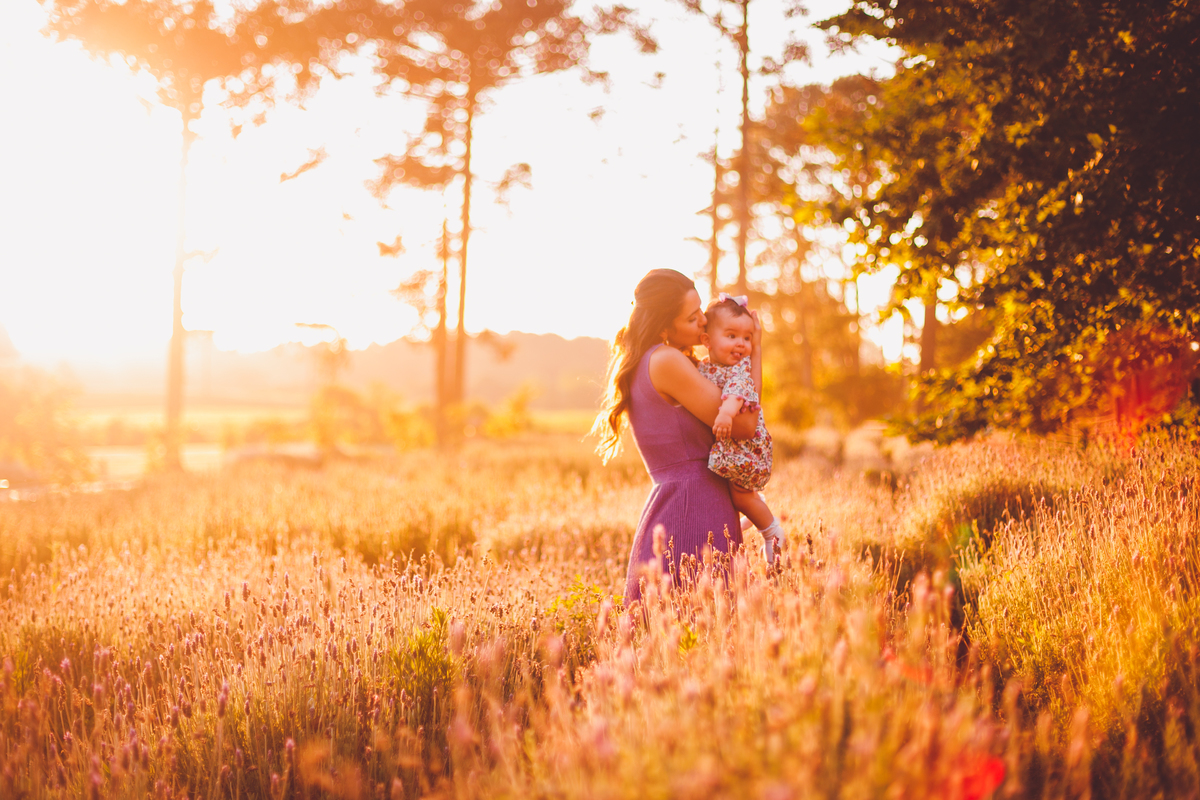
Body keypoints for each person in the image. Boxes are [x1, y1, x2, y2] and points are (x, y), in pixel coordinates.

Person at [592, 269, 762, 603]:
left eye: (701, 309)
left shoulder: (650, 360)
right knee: (704, 629)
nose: (703, 320)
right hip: (695, 508)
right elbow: (745, 426)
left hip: (680, 505)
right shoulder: (667, 360)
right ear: (664, 327)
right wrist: (755, 351)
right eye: (691, 316)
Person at [698, 293, 784, 565]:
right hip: (733, 449)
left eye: (747, 338)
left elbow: (737, 392)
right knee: (737, 494)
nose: (741, 344)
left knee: (740, 495)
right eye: (732, 336)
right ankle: (750, 515)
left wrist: (725, 413)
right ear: (707, 341)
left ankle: (772, 532)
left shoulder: (738, 370)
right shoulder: (707, 367)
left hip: (746, 448)